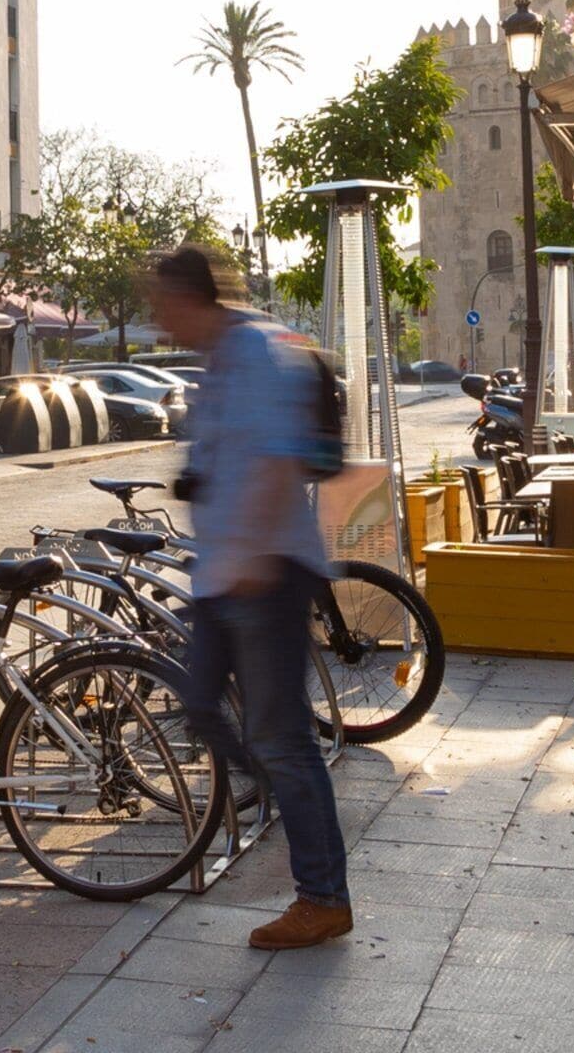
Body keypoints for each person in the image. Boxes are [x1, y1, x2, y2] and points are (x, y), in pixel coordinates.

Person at [152, 243, 351, 951]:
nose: (154, 316)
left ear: (189, 298)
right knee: (202, 704)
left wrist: (255, 562)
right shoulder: (215, 362)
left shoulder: (255, 354)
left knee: (282, 736)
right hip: (222, 573)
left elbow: (274, 461)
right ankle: (282, 795)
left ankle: (322, 894)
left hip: (261, 572)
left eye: (160, 300)